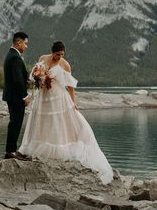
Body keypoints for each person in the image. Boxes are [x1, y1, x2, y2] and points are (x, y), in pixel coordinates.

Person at [19, 40, 113, 184]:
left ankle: (59, 149)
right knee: (43, 121)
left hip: (58, 96)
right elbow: (35, 77)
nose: (59, 57)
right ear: (52, 52)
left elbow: (69, 86)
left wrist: (73, 102)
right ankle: (39, 147)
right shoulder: (42, 58)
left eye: (62, 54)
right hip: (44, 97)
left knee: (59, 122)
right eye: (57, 54)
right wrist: (39, 79)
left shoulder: (65, 64)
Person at [3, 31, 30, 159]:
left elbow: (19, 77)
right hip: (16, 97)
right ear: (18, 43)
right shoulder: (14, 57)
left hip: (12, 95)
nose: (26, 46)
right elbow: (17, 79)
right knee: (16, 123)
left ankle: (11, 149)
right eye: (25, 43)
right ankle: (11, 151)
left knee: (14, 122)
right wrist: (25, 96)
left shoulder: (12, 54)